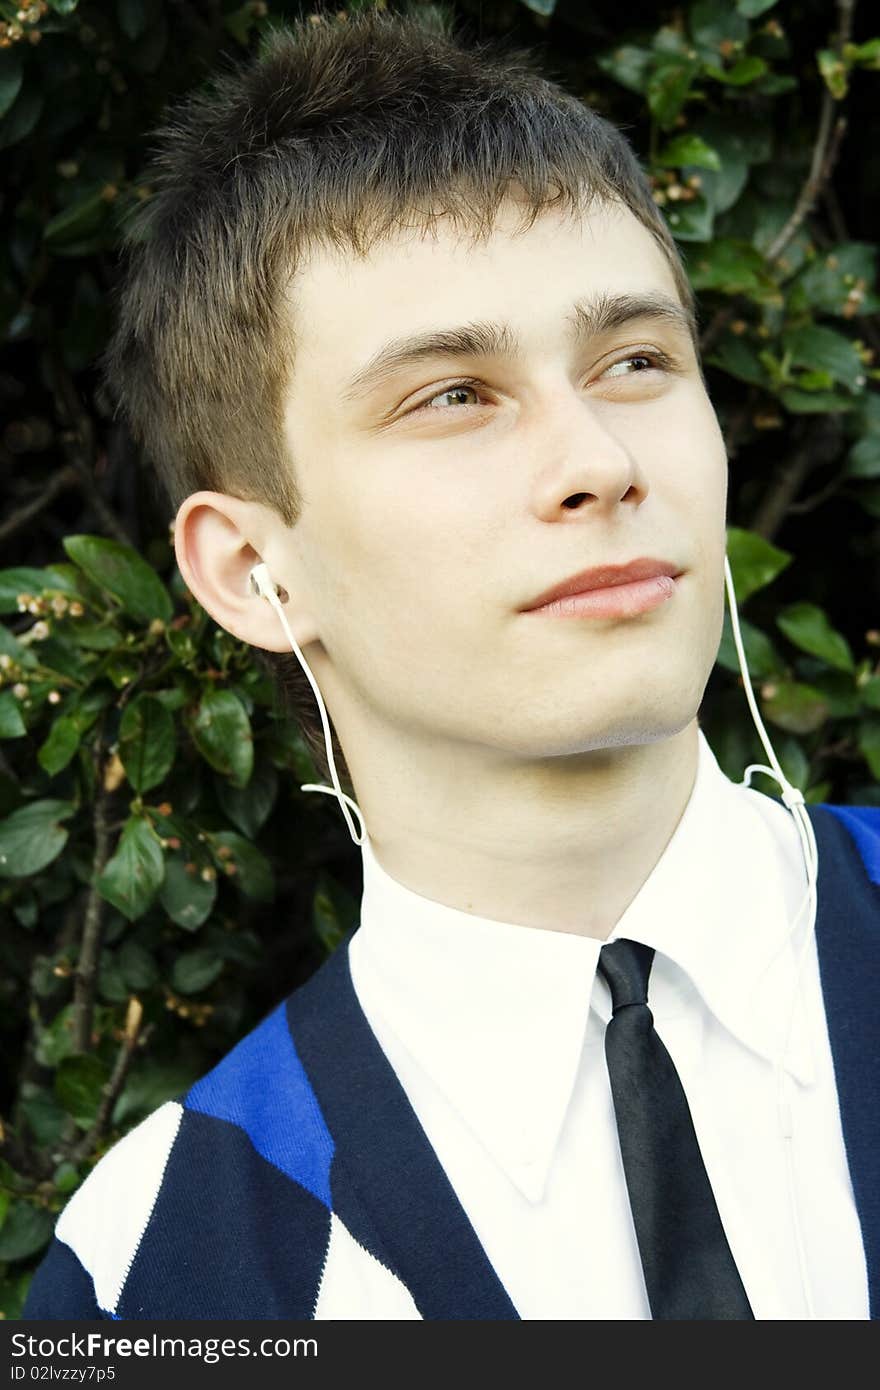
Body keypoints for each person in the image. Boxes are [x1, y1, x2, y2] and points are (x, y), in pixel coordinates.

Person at [22, 6, 879, 1322]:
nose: (600, 459)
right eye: (454, 395)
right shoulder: (170, 1270)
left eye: (636, 359)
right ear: (254, 569)